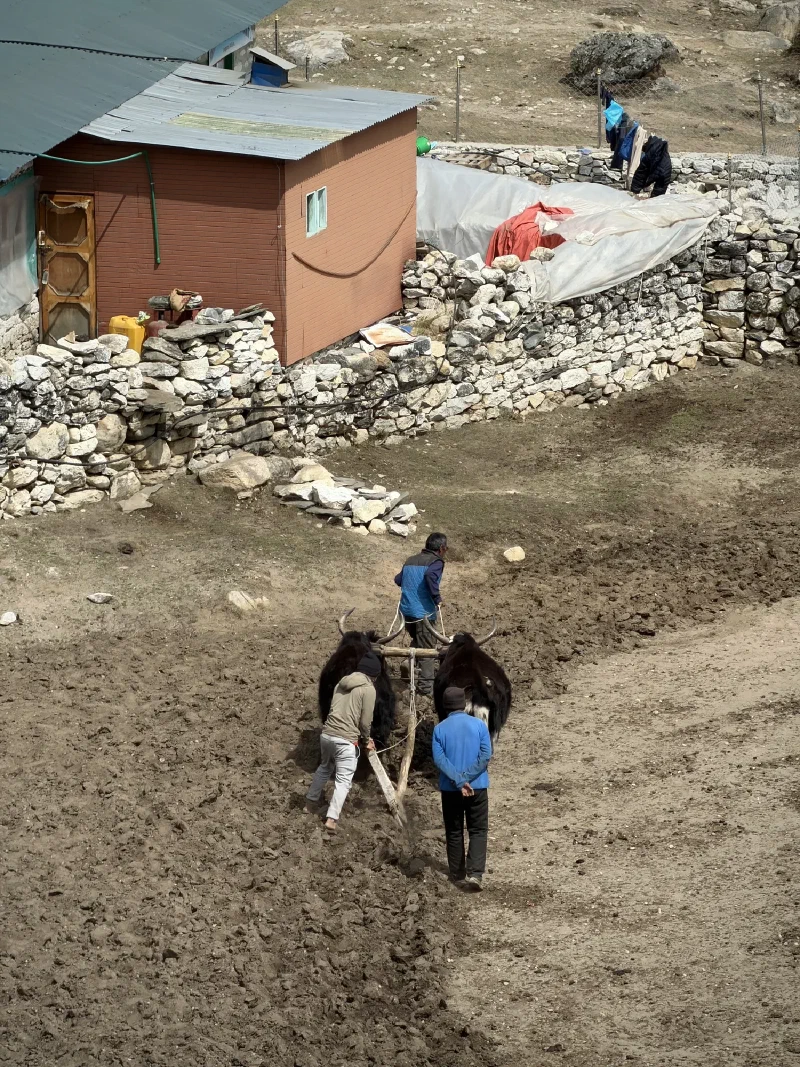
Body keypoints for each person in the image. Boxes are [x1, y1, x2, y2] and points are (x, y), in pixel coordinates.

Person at [305, 651, 381, 832]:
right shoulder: (369, 689)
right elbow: (365, 721)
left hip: (327, 735)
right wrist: (366, 740)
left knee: (324, 768)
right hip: (345, 741)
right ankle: (331, 819)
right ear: (374, 675)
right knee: (343, 780)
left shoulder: (342, 682)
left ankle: (309, 804)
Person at [432, 686, 492, 891]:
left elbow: (439, 760)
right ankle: (475, 875)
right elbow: (485, 756)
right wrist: (467, 778)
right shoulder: (479, 726)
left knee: (454, 830)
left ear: (446, 706)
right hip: (478, 787)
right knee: (478, 829)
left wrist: (458, 780)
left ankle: (457, 874)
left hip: (451, 789)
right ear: (463, 705)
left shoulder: (439, 729)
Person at [394, 532, 447, 696]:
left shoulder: (410, 560)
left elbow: (397, 579)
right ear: (441, 548)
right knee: (427, 650)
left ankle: (408, 663)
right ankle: (426, 689)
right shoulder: (436, 562)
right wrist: (437, 597)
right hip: (423, 613)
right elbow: (430, 576)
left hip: (406, 613)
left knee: (418, 639)